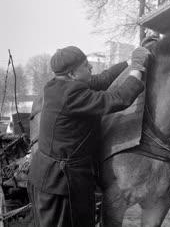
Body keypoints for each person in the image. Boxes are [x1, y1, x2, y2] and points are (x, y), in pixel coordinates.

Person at [27, 45, 150, 227]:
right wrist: (138, 68)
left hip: (53, 179)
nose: (91, 68)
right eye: (86, 65)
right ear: (72, 74)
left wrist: (131, 61)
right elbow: (120, 98)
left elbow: (103, 79)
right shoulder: (70, 95)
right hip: (59, 186)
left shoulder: (57, 85)